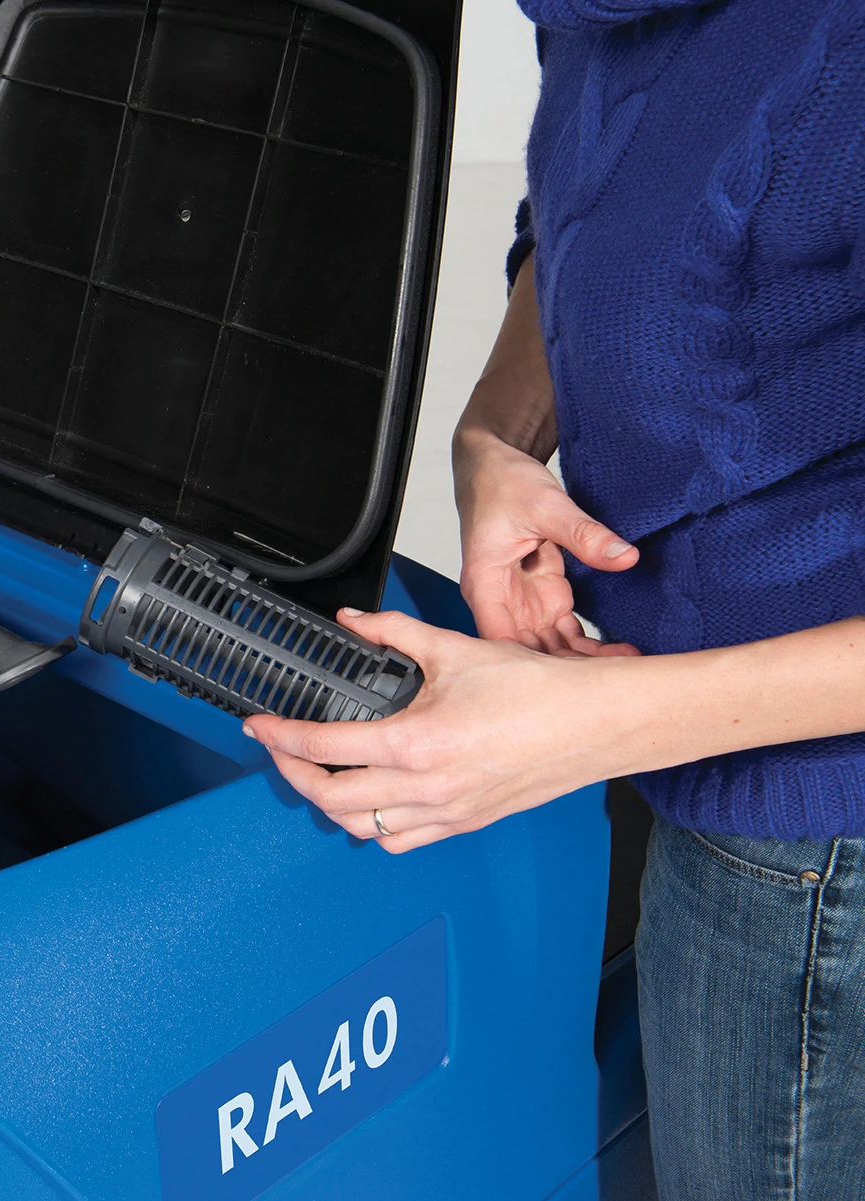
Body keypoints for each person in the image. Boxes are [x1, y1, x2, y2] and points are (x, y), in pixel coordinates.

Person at [242, 1, 865, 1197]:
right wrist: (496, 441)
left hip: (811, 840)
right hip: (679, 720)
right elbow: (586, 216)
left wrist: (589, 730)